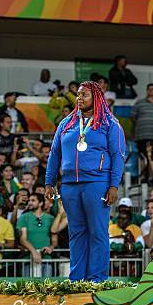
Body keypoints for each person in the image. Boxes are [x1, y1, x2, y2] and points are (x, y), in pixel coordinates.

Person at [45, 81, 126, 282]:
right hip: (69, 186)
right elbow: (55, 154)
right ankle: (77, 280)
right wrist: (49, 182)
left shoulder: (110, 124)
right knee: (76, 233)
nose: (79, 98)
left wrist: (114, 185)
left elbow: (118, 155)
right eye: (78, 95)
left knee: (98, 233)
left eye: (84, 95)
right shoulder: (67, 123)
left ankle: (97, 279)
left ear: (96, 98)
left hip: (97, 183)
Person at [132, 83, 153, 164]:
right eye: (149, 89)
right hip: (142, 135)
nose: (150, 90)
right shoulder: (139, 103)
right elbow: (133, 117)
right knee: (142, 156)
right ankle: (143, 176)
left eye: (152, 89)